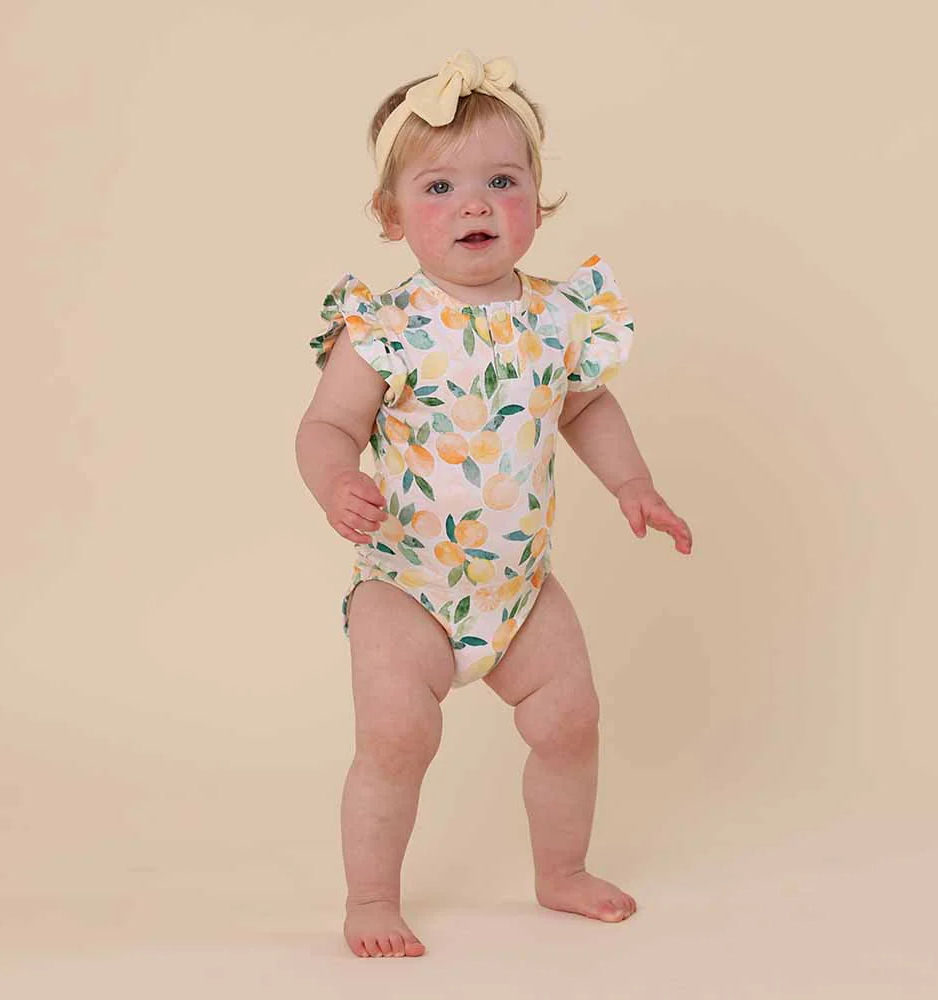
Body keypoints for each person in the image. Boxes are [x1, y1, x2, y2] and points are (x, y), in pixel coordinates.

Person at [295, 49, 693, 959]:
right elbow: (325, 426)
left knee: (570, 721)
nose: (474, 204)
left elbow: (585, 407)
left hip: (519, 588)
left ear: (537, 202)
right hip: (407, 586)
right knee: (397, 738)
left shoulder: (558, 318)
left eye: (501, 182)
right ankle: (370, 899)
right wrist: (336, 481)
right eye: (439, 187)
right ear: (391, 216)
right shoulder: (384, 327)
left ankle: (562, 871)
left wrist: (632, 483)